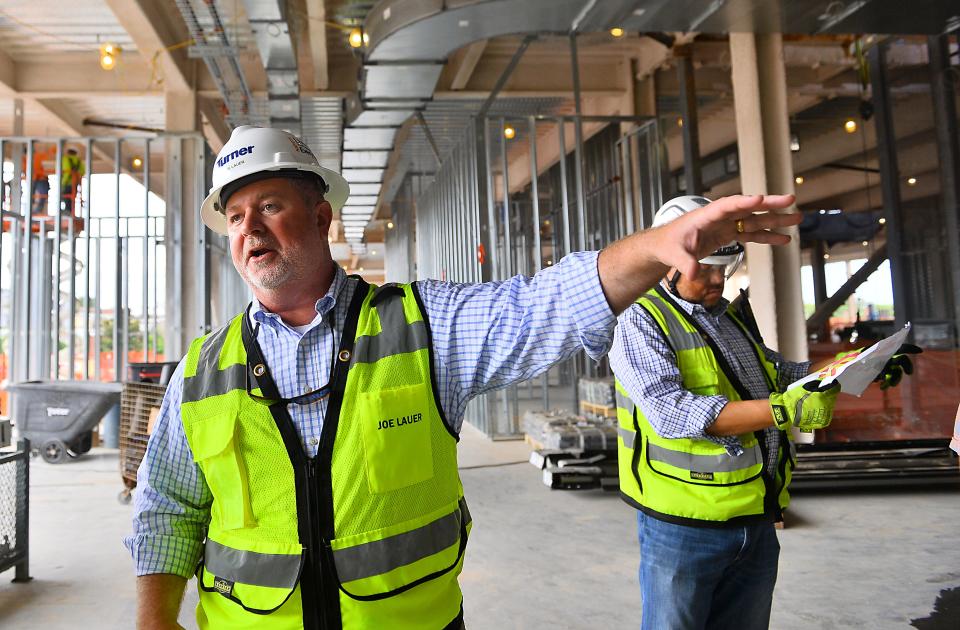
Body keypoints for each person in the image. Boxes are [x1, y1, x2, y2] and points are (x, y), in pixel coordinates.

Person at [125, 127, 800, 630]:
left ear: (322, 217)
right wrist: (155, 622)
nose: (249, 231)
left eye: (268, 206)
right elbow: (166, 507)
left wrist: (656, 248)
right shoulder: (203, 370)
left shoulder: (423, 326)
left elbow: (545, 306)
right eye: (236, 218)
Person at [608, 195, 918, 630]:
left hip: (754, 515)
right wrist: (782, 409)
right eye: (707, 268)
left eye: (725, 268)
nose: (717, 280)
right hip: (685, 526)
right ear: (668, 263)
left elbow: (774, 374)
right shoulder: (641, 322)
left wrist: (848, 367)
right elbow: (672, 412)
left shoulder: (725, 318)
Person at [61, 147, 85, 215]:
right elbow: (82, 171)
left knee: (65, 197)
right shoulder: (79, 161)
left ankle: (66, 212)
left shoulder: (65, 158)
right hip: (75, 183)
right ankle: (69, 212)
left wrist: (64, 182)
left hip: (67, 182)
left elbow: (67, 170)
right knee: (71, 198)